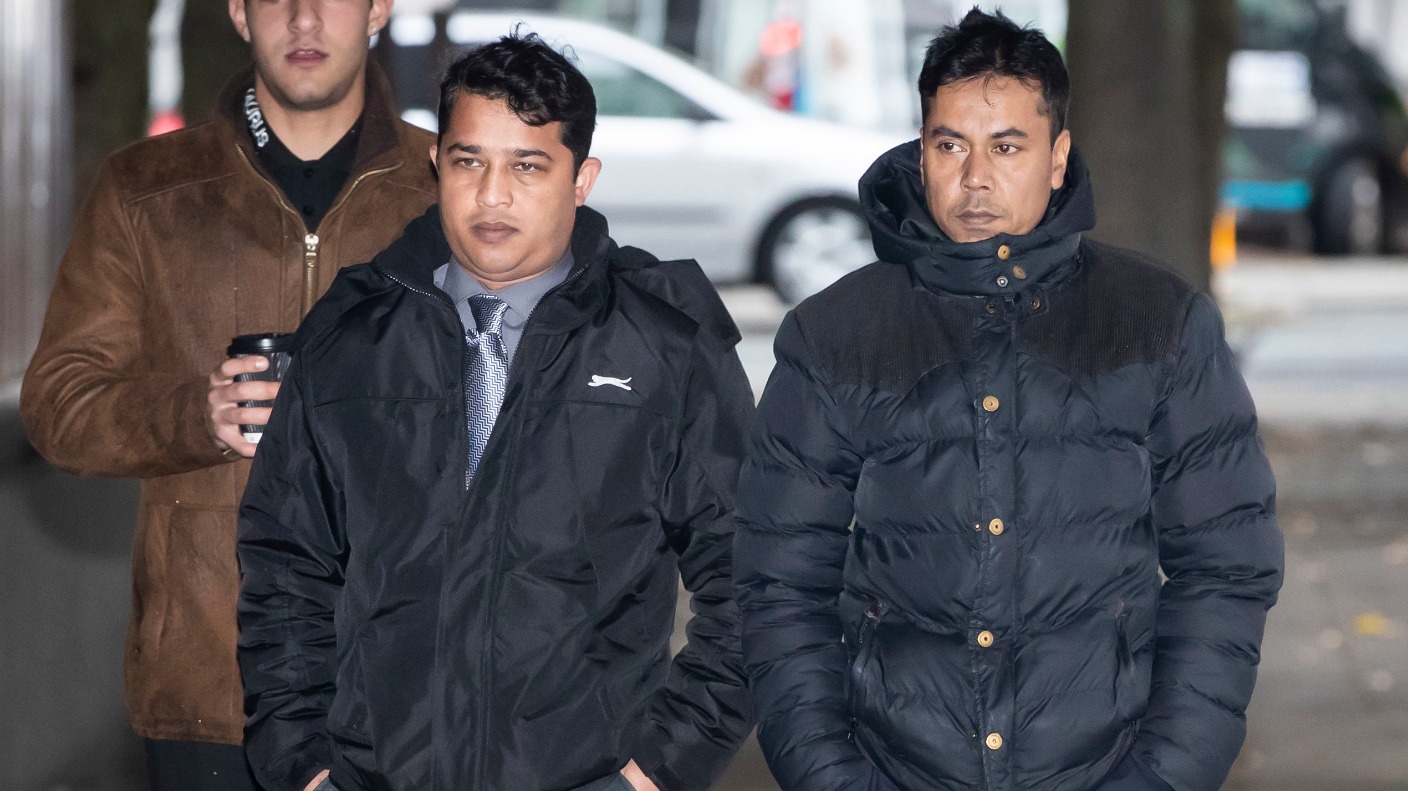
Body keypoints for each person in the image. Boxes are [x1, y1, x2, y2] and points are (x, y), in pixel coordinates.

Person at [734, 9, 1283, 791]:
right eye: (950, 145)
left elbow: (1227, 566)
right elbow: (778, 582)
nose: (975, 179)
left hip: (1107, 765)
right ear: (920, 151)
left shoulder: (1158, 321)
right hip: (894, 766)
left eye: (1007, 146)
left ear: (1058, 158)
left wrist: (1162, 776)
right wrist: (833, 776)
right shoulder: (834, 334)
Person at [236, 33, 754, 791]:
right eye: (468, 161)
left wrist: (651, 775)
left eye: (528, 166)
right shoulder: (352, 337)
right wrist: (305, 768)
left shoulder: (664, 348)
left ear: (582, 180)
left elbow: (752, 578)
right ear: (435, 165)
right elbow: (285, 566)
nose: (492, 195)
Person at [20, 0, 435, 786]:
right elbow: (58, 402)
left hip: (407, 685)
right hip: (211, 688)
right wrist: (195, 414)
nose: (304, 18)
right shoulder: (146, 189)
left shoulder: (446, 187)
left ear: (379, 7)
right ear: (240, 12)